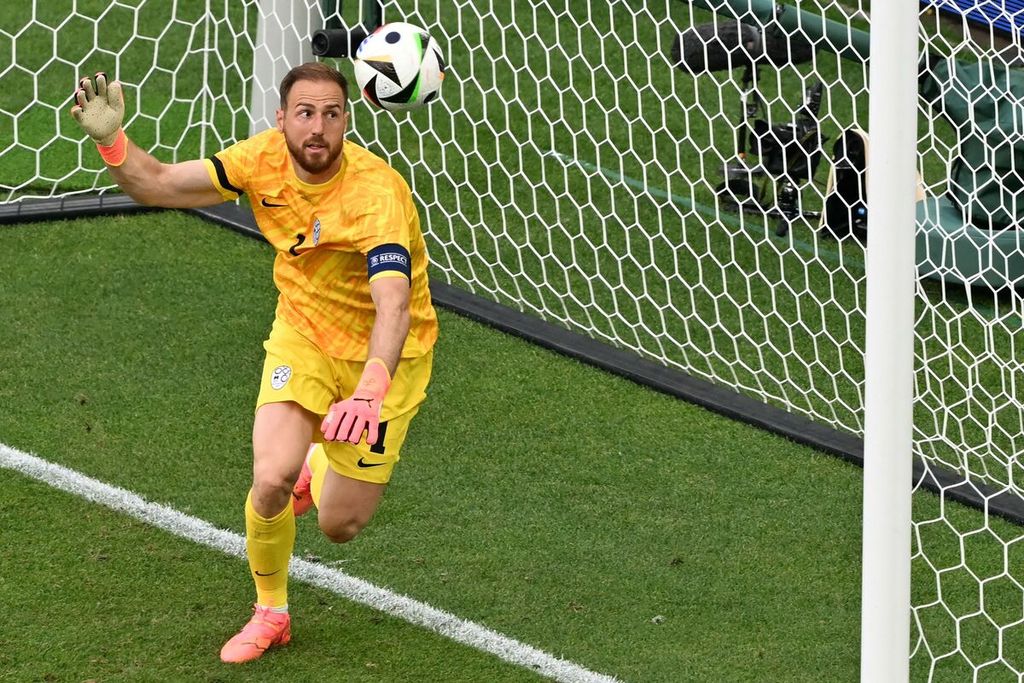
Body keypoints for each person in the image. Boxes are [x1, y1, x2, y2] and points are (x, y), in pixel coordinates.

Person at [69, 63, 438, 663]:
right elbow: (158, 183)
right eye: (305, 113)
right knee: (269, 479)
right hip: (303, 335)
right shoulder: (259, 161)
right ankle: (272, 611)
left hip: (387, 360)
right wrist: (112, 141)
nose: (317, 128)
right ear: (281, 119)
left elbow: (393, 304)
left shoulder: (377, 194)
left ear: (348, 120)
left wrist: (371, 389)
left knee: (340, 526)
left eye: (331, 114)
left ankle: (320, 461)